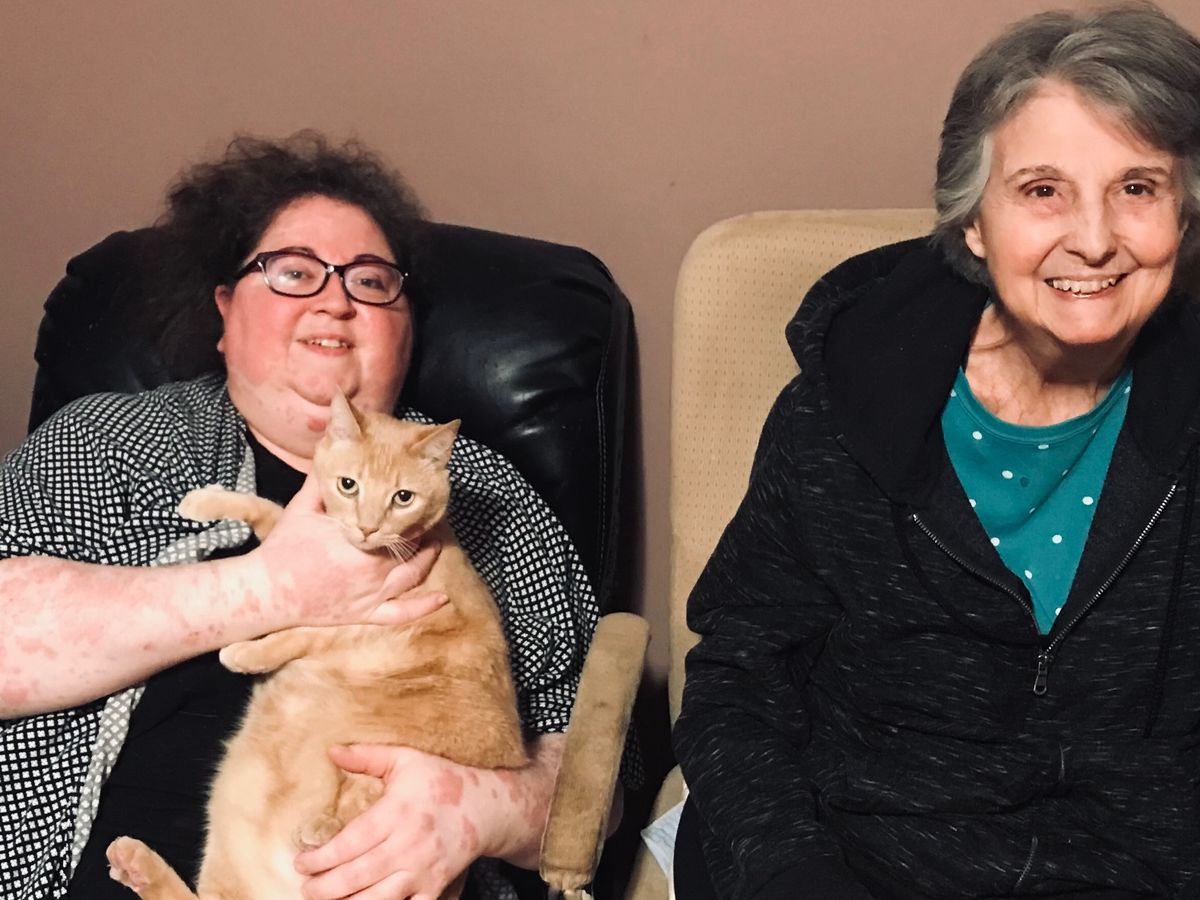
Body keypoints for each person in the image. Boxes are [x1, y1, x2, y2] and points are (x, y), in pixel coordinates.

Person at [673, 4, 1200, 899]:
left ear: (1183, 217)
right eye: (1042, 190)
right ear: (973, 224)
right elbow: (739, 681)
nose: (1094, 238)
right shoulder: (841, 411)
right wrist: (794, 872)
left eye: (1138, 187)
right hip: (856, 859)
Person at [0, 133, 607, 900]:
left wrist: (489, 807)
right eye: (292, 272)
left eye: (372, 281)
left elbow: (601, 766)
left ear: (407, 328)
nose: (335, 300)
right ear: (225, 312)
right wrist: (273, 589)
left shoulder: (490, 496)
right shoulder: (112, 441)